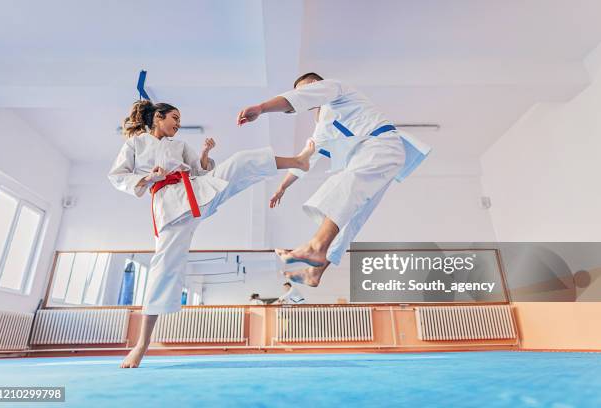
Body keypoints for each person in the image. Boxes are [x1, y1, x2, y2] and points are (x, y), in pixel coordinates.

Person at [108, 100, 314, 368]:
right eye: (174, 117)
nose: (178, 123)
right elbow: (117, 175)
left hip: (197, 193)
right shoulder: (136, 143)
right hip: (171, 208)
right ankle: (141, 345)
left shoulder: (179, 146)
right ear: (157, 117)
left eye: (180, 119)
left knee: (241, 160)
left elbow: (202, 171)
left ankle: (298, 161)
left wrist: (204, 154)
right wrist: (149, 178)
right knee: (163, 271)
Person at [237, 73, 431, 287]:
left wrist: (262, 108)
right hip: (374, 156)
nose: (305, 94)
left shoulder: (335, 88)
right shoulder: (322, 129)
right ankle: (315, 272)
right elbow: (303, 160)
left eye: (306, 89)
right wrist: (282, 187)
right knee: (352, 215)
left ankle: (316, 247)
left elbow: (296, 99)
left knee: (345, 186)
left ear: (316, 84)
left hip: (381, 145)